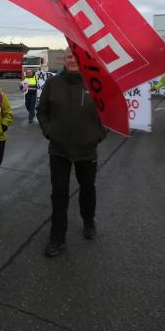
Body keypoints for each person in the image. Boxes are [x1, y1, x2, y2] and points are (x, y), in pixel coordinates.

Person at [36, 49, 107, 257]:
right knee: (59, 194)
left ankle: (88, 220)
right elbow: (42, 111)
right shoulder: (53, 83)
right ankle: (57, 237)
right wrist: (49, 132)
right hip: (58, 150)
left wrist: (98, 135)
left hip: (87, 149)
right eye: (69, 57)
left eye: (76, 57)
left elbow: (108, 112)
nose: (72, 60)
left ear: (83, 60)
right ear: (64, 60)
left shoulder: (95, 83)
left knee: (87, 188)